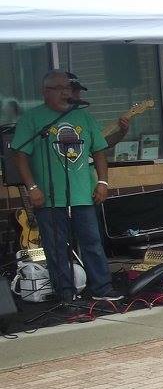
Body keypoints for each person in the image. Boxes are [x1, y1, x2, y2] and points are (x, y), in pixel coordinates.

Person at [10, 69, 122, 302]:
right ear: (45, 92)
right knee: (56, 246)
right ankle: (66, 293)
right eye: (60, 89)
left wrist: (102, 182)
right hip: (49, 196)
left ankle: (102, 288)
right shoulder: (32, 119)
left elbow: (99, 151)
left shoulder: (84, 117)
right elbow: (20, 155)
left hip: (83, 194)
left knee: (92, 242)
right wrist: (32, 188)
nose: (66, 93)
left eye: (68, 89)